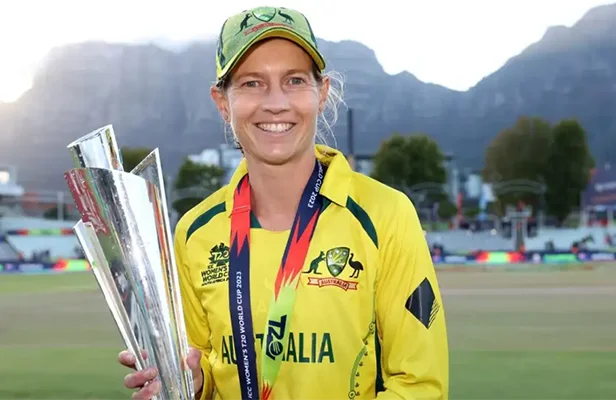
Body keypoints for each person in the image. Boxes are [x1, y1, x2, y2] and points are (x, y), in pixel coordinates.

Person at [119, 5, 449, 400]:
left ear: (321, 92)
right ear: (222, 102)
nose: (275, 102)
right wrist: (194, 381)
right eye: (252, 83)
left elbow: (420, 386)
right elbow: (203, 359)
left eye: (294, 80)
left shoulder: (386, 215)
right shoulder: (195, 231)